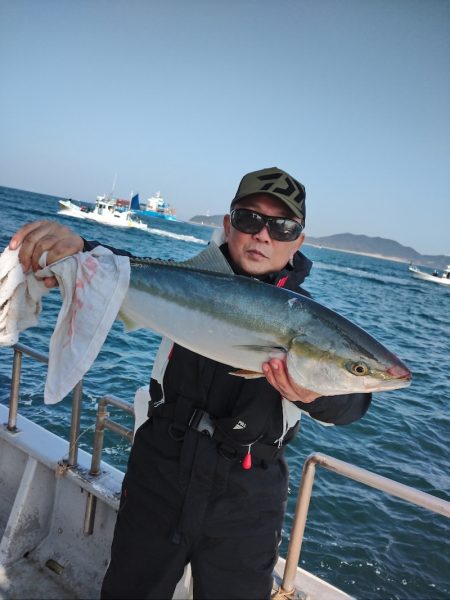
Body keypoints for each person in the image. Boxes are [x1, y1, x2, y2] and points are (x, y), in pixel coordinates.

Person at [10, 167, 371, 600]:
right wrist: (82, 250)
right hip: (160, 466)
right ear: (227, 223)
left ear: (299, 240)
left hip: (247, 492)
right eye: (248, 219)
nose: (262, 236)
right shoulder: (191, 278)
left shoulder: (313, 323)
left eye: (282, 226)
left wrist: (314, 395)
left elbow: (354, 400)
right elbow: (128, 270)